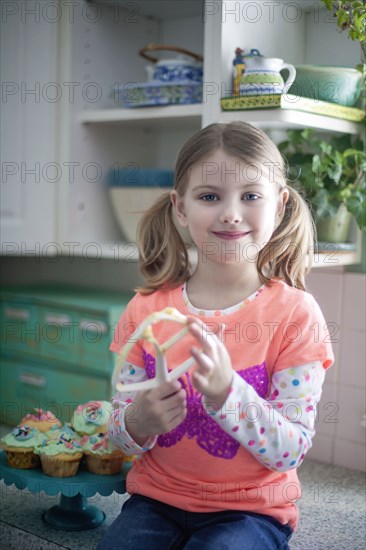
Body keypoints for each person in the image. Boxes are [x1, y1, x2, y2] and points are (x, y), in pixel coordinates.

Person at [97, 122, 334, 550]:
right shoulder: (144, 310)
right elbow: (116, 431)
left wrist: (229, 394)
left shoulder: (297, 315)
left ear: (278, 207)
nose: (230, 212)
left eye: (250, 196)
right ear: (181, 207)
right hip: (156, 501)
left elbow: (291, 449)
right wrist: (139, 420)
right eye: (209, 196)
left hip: (252, 510)